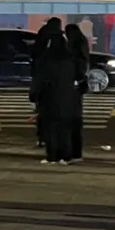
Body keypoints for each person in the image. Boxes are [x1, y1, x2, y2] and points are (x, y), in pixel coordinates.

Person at [30, 24, 79, 164]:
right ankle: (66, 155)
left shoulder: (46, 60)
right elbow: (77, 76)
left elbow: (39, 80)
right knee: (65, 129)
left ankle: (52, 155)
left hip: (49, 98)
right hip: (67, 97)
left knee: (51, 129)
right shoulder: (70, 60)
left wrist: (34, 95)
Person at [64, 23, 90, 161]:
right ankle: (75, 151)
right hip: (78, 85)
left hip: (72, 86)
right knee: (76, 118)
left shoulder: (73, 48)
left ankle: (73, 152)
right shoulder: (82, 44)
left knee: (72, 119)